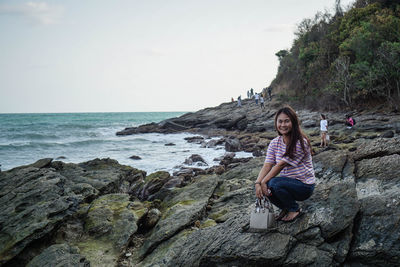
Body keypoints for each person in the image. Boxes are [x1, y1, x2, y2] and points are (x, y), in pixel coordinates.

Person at [254, 106, 315, 222]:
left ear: (293, 122)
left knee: (273, 183)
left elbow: (280, 165)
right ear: (276, 123)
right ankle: (285, 208)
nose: (283, 125)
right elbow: (267, 165)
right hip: (288, 182)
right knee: (264, 186)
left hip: (304, 186)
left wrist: (264, 182)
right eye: (280, 121)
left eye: (287, 121)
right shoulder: (274, 143)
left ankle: (294, 209)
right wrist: (258, 183)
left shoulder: (300, 142)